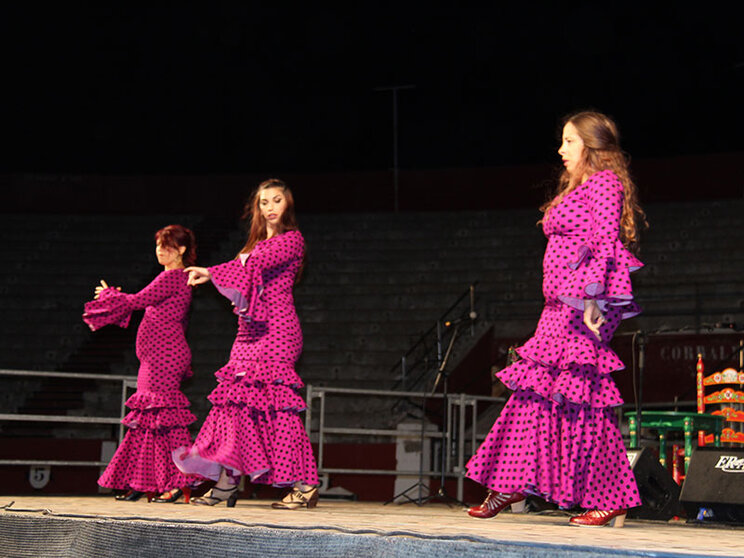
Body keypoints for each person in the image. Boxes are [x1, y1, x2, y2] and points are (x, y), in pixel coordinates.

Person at [465, 111, 646, 527]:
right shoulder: (580, 186)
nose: (561, 149)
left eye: (569, 141)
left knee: (584, 401)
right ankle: (510, 482)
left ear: (591, 146)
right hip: (557, 308)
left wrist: (595, 300)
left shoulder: (604, 184)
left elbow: (605, 242)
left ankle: (609, 495)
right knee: (533, 392)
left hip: (581, 306)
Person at [174, 178, 319, 509]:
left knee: (279, 409)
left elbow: (252, 266)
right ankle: (226, 482)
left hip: (278, 330)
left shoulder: (292, 240)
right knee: (232, 407)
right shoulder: (252, 245)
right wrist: (215, 274)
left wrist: (211, 271)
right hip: (248, 333)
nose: (270, 207)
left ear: (288, 205)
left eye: (277, 200)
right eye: (264, 202)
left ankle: (306, 483)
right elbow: (245, 271)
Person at [83, 224, 198, 503]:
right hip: (158, 357)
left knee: (165, 423)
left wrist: (110, 295)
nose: (160, 250)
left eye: (167, 246)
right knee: (147, 422)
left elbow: (137, 300)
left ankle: (182, 480)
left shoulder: (173, 278)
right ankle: (144, 480)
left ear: (181, 250)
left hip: (164, 358)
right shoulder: (172, 277)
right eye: (158, 245)